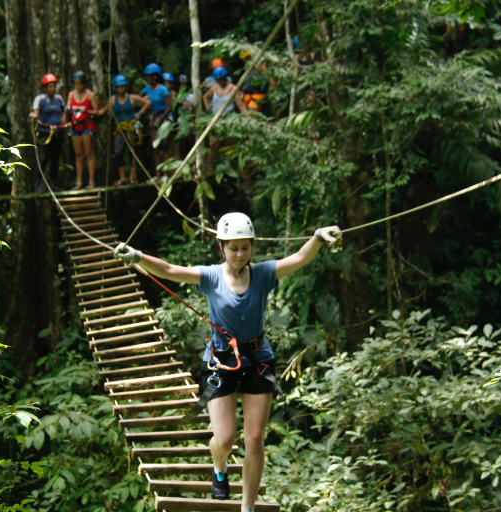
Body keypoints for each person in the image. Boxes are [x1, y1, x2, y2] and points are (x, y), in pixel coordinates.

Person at [112, 214, 342, 511]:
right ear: (221, 247)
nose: (239, 254)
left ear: (251, 247)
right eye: (233, 248)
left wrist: (319, 236)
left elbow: (299, 258)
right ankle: (219, 467)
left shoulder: (262, 274)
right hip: (221, 363)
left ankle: (247, 508)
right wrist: (137, 256)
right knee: (224, 439)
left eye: (245, 248)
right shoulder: (210, 276)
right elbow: (169, 269)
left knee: (256, 438)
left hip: (257, 359)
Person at [96, 74, 150, 186]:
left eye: (123, 87)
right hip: (120, 129)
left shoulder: (132, 98)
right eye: (119, 87)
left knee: (133, 152)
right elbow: (102, 111)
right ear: (116, 88)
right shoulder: (112, 100)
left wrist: (139, 113)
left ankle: (132, 178)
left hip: (132, 127)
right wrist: (90, 113)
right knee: (118, 152)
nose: (121, 89)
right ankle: (122, 178)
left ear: (126, 87)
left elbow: (147, 103)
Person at [202, 66, 246, 169]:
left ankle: (227, 167)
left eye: (222, 79)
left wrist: (248, 118)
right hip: (215, 120)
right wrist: (208, 108)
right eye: (218, 80)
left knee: (228, 143)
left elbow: (241, 106)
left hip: (228, 119)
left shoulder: (233, 89)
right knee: (213, 144)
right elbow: (205, 97)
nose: (220, 82)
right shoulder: (215, 88)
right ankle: (210, 167)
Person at [29, 73, 67, 192]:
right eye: (50, 86)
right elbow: (36, 113)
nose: (53, 89)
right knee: (44, 158)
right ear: (45, 88)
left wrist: (63, 119)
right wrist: (33, 116)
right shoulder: (40, 99)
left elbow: (63, 111)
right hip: (45, 133)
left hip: (58, 132)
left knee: (55, 158)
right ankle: (38, 182)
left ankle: (54, 182)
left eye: (54, 86)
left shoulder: (59, 99)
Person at [67, 70, 101, 189]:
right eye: (76, 84)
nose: (78, 86)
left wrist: (86, 111)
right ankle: (79, 182)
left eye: (80, 84)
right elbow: (68, 107)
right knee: (78, 155)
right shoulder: (71, 94)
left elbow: (96, 111)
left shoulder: (90, 95)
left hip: (87, 126)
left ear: (84, 84)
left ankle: (91, 181)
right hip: (75, 126)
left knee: (89, 153)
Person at [141, 63, 174, 181]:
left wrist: (161, 119)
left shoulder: (163, 89)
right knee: (154, 147)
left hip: (165, 118)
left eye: (149, 76)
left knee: (165, 146)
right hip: (154, 118)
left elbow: (170, 106)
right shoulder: (147, 90)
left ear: (155, 76)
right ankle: (157, 174)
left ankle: (165, 174)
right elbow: (138, 98)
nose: (147, 78)